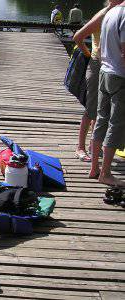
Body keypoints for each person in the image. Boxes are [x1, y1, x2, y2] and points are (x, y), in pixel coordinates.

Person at [73, 0, 122, 163]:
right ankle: (80, 147)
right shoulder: (103, 14)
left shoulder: (116, 13)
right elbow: (78, 37)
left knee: (102, 112)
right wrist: (89, 55)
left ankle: (95, 146)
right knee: (91, 109)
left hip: (107, 67)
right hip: (97, 65)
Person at [89, 2, 125, 187]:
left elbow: (102, 47)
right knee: (116, 124)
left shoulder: (111, 12)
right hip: (119, 76)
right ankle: (106, 173)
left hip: (104, 71)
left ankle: (95, 168)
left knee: (101, 119)